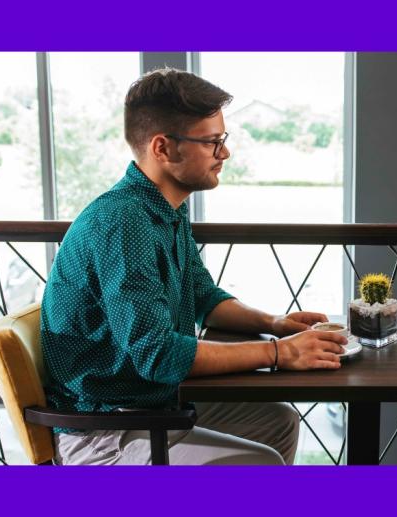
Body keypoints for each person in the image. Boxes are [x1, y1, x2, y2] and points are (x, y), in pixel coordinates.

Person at [40, 68, 347, 466]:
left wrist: (275, 323)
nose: (225, 153)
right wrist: (278, 353)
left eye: (223, 140)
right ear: (163, 148)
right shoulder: (123, 222)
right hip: (103, 430)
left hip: (152, 404)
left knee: (278, 421)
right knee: (261, 463)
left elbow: (204, 297)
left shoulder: (165, 209)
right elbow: (158, 356)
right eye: (212, 142)